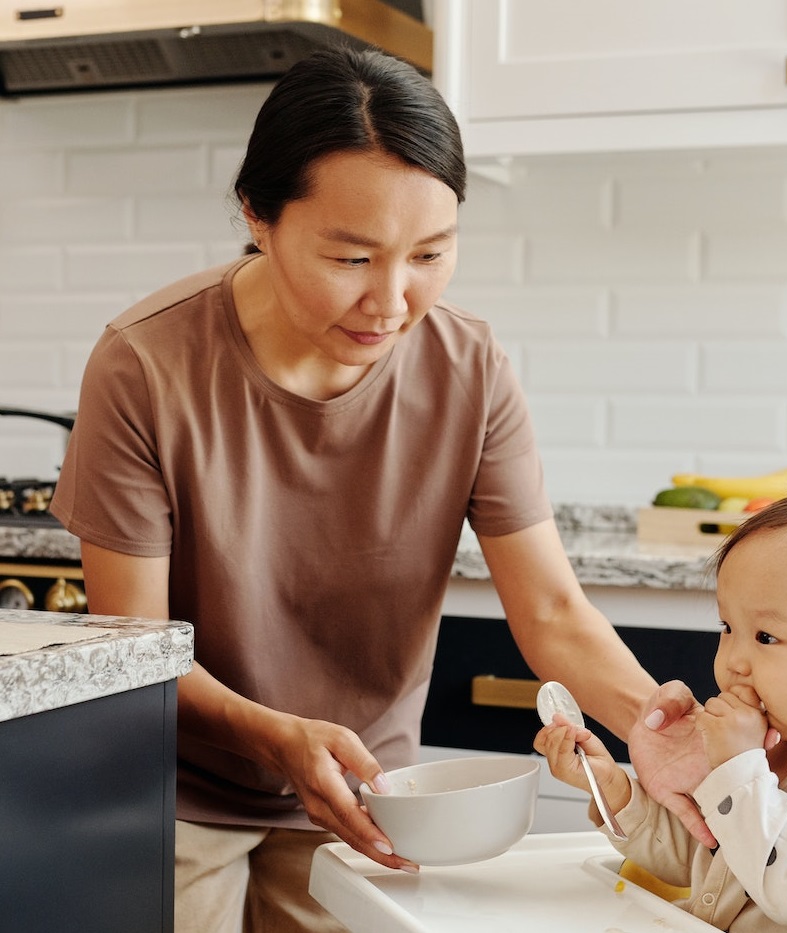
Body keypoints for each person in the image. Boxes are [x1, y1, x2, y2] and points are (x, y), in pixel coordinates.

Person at [49, 46, 695, 933]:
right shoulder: (145, 364)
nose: (391, 301)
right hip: (173, 792)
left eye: (430, 252)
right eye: (351, 257)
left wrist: (660, 730)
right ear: (258, 216)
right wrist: (277, 735)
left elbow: (550, 610)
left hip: (374, 794)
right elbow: (137, 650)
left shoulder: (470, 369)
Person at [536, 479, 787, 932]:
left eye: (765, 637)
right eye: (727, 627)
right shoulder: (763, 750)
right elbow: (705, 861)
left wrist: (737, 769)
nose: (732, 660)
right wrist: (614, 790)